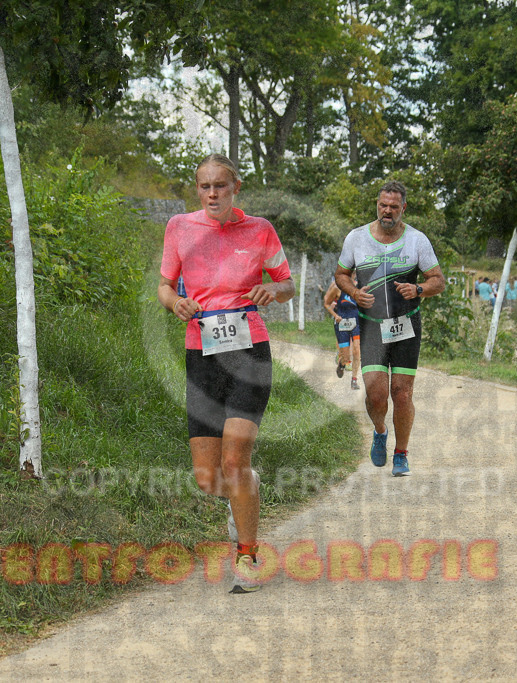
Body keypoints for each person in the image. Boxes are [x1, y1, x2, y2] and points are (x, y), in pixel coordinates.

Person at [158, 154, 295, 593]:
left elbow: (287, 282)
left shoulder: (259, 230)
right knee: (208, 478)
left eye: (220, 185)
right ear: (197, 190)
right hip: (201, 354)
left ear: (236, 186)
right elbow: (165, 284)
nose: (212, 193)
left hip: (248, 353)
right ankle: (247, 491)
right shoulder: (180, 228)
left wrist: (273, 288)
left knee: (234, 460)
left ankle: (248, 556)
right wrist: (173, 301)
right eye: (204, 186)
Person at [334, 180, 445, 477]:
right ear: (377, 205)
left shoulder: (417, 240)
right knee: (376, 395)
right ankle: (380, 431)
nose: (387, 211)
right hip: (371, 326)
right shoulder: (356, 238)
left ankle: (401, 454)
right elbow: (342, 274)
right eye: (383, 205)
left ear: (403, 208)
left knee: (403, 394)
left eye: (394, 207)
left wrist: (419, 288)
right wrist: (355, 293)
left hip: (407, 324)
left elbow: (438, 280)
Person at [323, 276, 362, 390]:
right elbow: (326, 303)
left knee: (356, 351)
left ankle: (354, 380)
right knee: (346, 357)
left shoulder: (360, 287)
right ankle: (341, 364)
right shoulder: (336, 287)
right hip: (342, 323)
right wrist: (335, 315)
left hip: (356, 323)